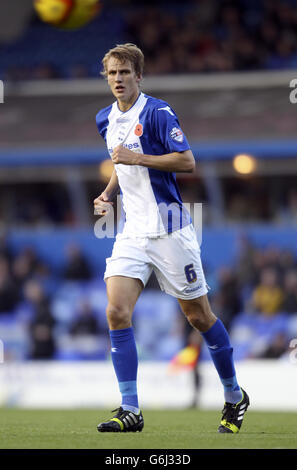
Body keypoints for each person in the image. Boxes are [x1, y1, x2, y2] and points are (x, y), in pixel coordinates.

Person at [94, 43, 249, 434]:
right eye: (112, 73)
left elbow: (187, 161)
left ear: (139, 76)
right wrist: (109, 193)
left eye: (125, 72)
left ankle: (233, 395)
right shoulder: (104, 119)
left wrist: (139, 158)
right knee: (116, 311)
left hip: (170, 227)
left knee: (198, 316)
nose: (118, 79)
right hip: (132, 229)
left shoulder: (158, 113)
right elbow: (120, 161)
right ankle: (130, 408)